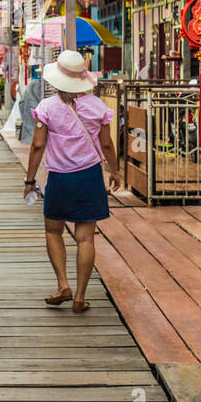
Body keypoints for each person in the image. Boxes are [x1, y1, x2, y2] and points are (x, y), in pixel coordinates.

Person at [23, 50, 121, 313]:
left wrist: (30, 180)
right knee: (85, 238)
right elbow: (107, 143)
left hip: (60, 178)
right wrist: (115, 171)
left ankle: (62, 284)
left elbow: (37, 145)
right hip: (89, 177)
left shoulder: (46, 108)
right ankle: (80, 296)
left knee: (53, 230)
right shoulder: (98, 107)